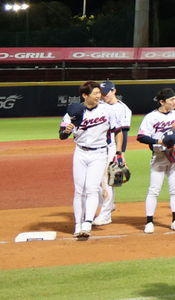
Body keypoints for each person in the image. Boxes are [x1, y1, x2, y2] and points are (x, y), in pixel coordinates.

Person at [137, 88, 175, 234]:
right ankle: (149, 222)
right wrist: (159, 141)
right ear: (162, 102)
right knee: (154, 190)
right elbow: (141, 136)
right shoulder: (151, 117)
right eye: (172, 100)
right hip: (159, 157)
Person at [60, 81, 112, 238]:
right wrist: (67, 130)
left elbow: (114, 131)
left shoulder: (106, 110)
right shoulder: (73, 112)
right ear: (85, 95)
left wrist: (117, 154)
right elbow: (62, 135)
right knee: (79, 190)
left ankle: (87, 224)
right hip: (81, 153)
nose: (98, 96)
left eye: (99, 93)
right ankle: (78, 224)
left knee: (91, 188)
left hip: (99, 153)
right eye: (95, 93)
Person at [94, 81, 132, 228]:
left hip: (111, 147)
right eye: (101, 94)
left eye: (106, 93)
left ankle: (105, 215)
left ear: (114, 91)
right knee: (93, 180)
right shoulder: (100, 105)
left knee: (107, 179)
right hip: (96, 147)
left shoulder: (123, 109)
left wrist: (121, 154)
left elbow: (123, 133)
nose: (104, 97)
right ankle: (107, 204)